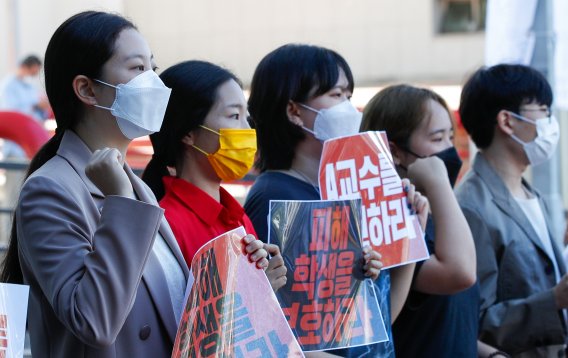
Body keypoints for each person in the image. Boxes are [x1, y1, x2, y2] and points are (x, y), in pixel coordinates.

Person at [0, 11, 266, 357]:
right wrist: (121, 204)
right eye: (138, 68)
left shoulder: (135, 186)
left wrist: (250, 280)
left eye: (152, 69)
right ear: (87, 89)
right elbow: (93, 321)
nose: (154, 83)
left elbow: (176, 310)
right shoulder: (50, 189)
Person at [244, 43, 428, 357]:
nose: (348, 107)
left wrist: (411, 234)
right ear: (293, 111)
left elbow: (377, 326)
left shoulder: (343, 193)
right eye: (336, 95)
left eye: (349, 96)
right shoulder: (274, 197)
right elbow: (278, 333)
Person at [456, 64, 568, 357]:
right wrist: (554, 299)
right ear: (507, 120)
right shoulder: (472, 207)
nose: (550, 122)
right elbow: (472, 323)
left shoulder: (531, 194)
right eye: (543, 110)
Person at [142, 60, 284, 291]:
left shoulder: (237, 216)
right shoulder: (166, 226)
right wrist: (259, 290)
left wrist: (266, 289)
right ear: (188, 133)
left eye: (246, 118)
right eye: (234, 116)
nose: (247, 131)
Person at [361, 84, 478, 357]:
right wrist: (438, 182)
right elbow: (460, 273)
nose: (449, 150)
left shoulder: (440, 216)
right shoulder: (385, 226)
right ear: (395, 152)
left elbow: (454, 323)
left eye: (451, 137)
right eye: (437, 139)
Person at [0, 54, 50, 121]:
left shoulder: (29, 85)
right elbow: (10, 111)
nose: (33, 76)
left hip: (35, 123)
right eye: (32, 73)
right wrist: (36, 106)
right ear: (23, 67)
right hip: (17, 124)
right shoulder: (8, 85)